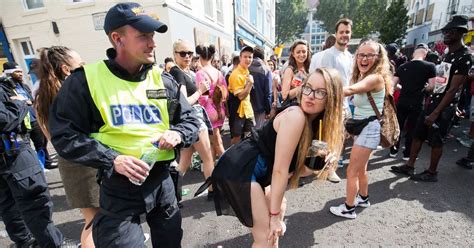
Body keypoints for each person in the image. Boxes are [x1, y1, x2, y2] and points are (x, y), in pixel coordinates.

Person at [48, 3, 200, 247]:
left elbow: (191, 120)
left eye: (152, 36)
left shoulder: (162, 80)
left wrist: (178, 132)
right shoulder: (86, 80)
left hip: (162, 182)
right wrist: (112, 159)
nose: (152, 43)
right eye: (143, 36)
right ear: (117, 39)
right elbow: (64, 134)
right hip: (118, 187)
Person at [196, 68, 344, 247]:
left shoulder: (316, 125)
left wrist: (316, 167)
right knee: (265, 235)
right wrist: (273, 218)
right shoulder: (296, 116)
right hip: (241, 168)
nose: (310, 95)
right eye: (308, 88)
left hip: (256, 170)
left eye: (320, 92)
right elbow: (280, 172)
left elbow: (292, 172)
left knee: (277, 214)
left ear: (332, 98)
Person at [391, 15, 473, 182]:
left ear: (460, 33)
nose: (446, 34)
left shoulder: (465, 56)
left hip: (444, 107)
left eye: (450, 31)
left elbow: (453, 89)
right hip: (433, 102)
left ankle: (431, 172)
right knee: (418, 134)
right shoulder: (448, 55)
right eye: (445, 31)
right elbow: (440, 83)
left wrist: (436, 112)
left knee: (436, 139)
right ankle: (410, 165)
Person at [34, 46, 100, 248]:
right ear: (65, 68)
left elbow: (51, 138)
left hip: (67, 161)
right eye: (80, 64)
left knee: (91, 219)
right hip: (87, 158)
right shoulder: (74, 93)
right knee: (96, 222)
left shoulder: (40, 99)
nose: (84, 67)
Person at [0, 66, 66, 247]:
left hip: (13, 151)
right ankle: (51, 244)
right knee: (35, 202)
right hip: (13, 153)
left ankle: (26, 243)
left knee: (9, 205)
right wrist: (20, 103)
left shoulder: (8, 86)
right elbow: (5, 120)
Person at [330, 40, 392, 219]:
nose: (364, 59)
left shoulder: (375, 77)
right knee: (361, 169)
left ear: (378, 58)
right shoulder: (363, 76)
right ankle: (363, 198)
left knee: (351, 171)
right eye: (361, 55)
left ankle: (349, 208)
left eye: (369, 55)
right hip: (363, 128)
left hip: (369, 129)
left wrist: (325, 88)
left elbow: (350, 90)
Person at [169, 40, 214, 200]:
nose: (187, 56)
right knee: (208, 157)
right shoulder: (178, 73)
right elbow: (185, 102)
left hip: (187, 121)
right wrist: (200, 91)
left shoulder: (181, 71)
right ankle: (213, 192)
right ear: (175, 55)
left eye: (190, 53)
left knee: (185, 161)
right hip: (192, 120)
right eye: (183, 53)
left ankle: (174, 195)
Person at [1, 62, 55, 170]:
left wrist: (25, 101)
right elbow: (8, 104)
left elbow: (32, 100)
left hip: (34, 119)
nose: (20, 74)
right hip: (21, 122)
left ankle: (46, 163)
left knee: (42, 144)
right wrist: (22, 102)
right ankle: (36, 167)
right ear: (8, 74)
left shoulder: (24, 86)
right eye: (17, 72)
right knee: (26, 147)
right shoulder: (4, 88)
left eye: (21, 71)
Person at [389, 45, 436, 160]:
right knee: (412, 128)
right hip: (417, 102)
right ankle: (407, 153)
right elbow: (432, 86)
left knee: (398, 126)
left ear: (413, 54)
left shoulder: (403, 66)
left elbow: (392, 85)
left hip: (402, 100)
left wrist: (403, 88)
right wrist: (423, 89)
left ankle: (393, 150)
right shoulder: (430, 66)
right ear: (425, 55)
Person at [195, 44, 228, 160]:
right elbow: (225, 92)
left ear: (200, 57)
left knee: (217, 143)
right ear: (212, 58)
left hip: (209, 111)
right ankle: (213, 171)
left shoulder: (200, 73)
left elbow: (202, 97)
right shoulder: (219, 73)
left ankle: (231, 168)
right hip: (220, 109)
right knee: (214, 143)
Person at [228, 46, 255, 145]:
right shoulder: (236, 74)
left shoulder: (246, 72)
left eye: (250, 57)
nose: (248, 59)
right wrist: (250, 84)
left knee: (249, 136)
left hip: (247, 110)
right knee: (236, 137)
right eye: (245, 57)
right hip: (238, 111)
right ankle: (232, 158)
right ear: (240, 58)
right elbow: (240, 96)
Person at [280, 40, 311, 105]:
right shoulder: (290, 70)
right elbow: (285, 96)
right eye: (298, 52)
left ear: (307, 53)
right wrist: (304, 85)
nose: (301, 54)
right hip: (294, 107)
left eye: (304, 51)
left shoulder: (309, 69)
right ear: (293, 54)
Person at [249, 46, 272, 129]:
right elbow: (268, 93)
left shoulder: (245, 67)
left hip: (246, 106)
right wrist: (268, 110)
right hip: (260, 107)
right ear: (263, 56)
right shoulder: (266, 70)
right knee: (257, 133)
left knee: (246, 134)